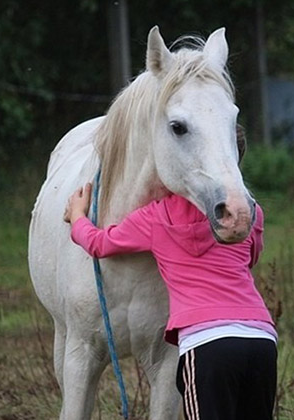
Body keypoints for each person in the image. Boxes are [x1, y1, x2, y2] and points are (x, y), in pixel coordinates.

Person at [64, 127, 277, 420]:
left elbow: (100, 244)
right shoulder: (249, 213)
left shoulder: (158, 216)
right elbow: (250, 257)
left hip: (206, 343)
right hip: (261, 338)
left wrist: (77, 217)